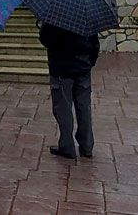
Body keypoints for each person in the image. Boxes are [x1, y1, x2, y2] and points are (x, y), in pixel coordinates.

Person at [39, 23, 100, 160]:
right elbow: (95, 44)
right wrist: (89, 62)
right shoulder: (86, 17)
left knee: (63, 109)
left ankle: (67, 146)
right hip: (83, 69)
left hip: (62, 70)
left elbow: (45, 39)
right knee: (84, 108)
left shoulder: (55, 19)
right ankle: (87, 146)